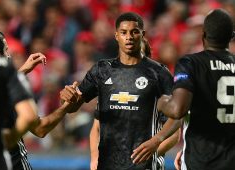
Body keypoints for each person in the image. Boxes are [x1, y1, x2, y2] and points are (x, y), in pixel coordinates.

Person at [60, 12, 180, 170]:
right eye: (124, 32)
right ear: (116, 35)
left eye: (134, 32)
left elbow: (176, 119)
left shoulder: (159, 74)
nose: (129, 37)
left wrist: (156, 144)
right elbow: (72, 107)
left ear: (142, 35)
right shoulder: (101, 70)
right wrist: (66, 98)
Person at [157, 9, 235, 170]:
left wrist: (161, 101)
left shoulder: (190, 63)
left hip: (200, 161)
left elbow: (177, 109)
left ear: (203, 34)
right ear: (231, 36)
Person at [0, 30, 73, 170]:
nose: (9, 55)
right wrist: (66, 107)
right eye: (6, 50)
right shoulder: (9, 92)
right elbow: (40, 128)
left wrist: (21, 72)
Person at [89, 38, 180, 170]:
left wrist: (144, 157)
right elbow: (96, 128)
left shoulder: (159, 86)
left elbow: (174, 134)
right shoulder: (109, 86)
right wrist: (95, 158)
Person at [0, 41, 38, 170]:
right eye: (7, 50)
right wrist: (9, 139)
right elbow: (29, 117)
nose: (9, 56)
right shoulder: (3, 67)